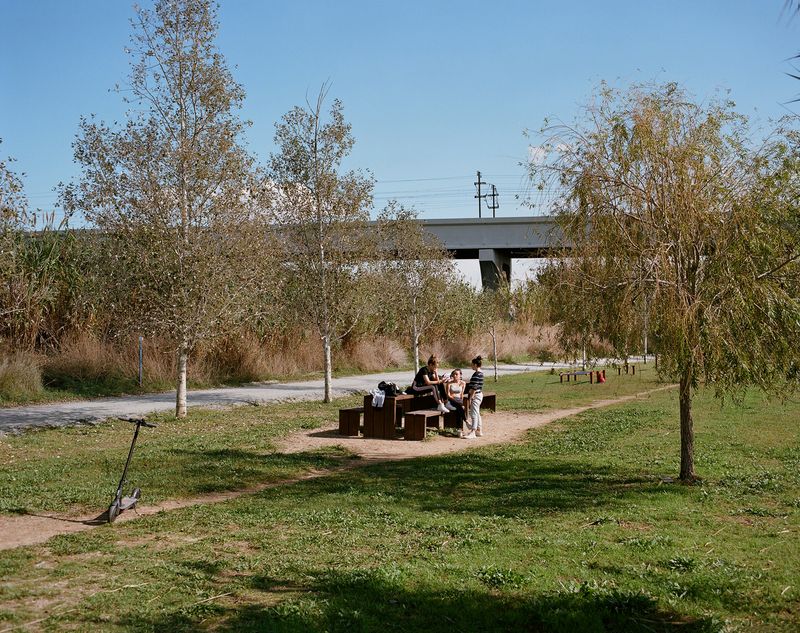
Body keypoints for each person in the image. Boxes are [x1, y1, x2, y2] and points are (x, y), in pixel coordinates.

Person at [462, 355, 485, 439]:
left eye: (472, 364)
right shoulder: (480, 373)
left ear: (475, 365)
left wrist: (471, 398)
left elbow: (474, 388)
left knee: (473, 413)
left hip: (475, 395)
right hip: (479, 395)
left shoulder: (476, 374)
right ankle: (479, 430)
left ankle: (473, 432)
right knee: (477, 413)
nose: (471, 366)